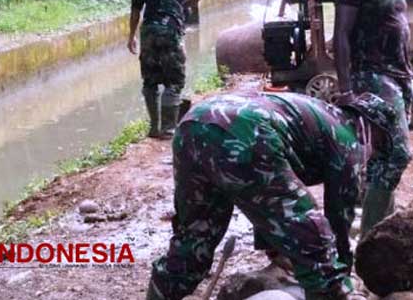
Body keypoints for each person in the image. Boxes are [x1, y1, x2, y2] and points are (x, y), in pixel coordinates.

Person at [146, 91, 399, 300]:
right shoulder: (349, 137)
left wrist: (276, 251)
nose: (373, 154)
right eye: (379, 146)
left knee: (194, 239)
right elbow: (338, 217)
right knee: (315, 237)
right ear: (373, 129)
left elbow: (267, 196)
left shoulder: (318, 113)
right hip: (245, 131)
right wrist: (340, 275)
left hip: (194, 125)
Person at [334, 0, 413, 238]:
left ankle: (383, 233)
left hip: (396, 78)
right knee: (398, 154)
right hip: (372, 78)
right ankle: (371, 239)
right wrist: (345, 90)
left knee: (384, 157)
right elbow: (341, 34)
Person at [128, 0, 202, 139]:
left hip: (149, 32)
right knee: (175, 81)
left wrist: (131, 37)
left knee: (150, 81)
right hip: (171, 30)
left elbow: (135, 8)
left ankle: (154, 127)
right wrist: (185, 5)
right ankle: (168, 129)